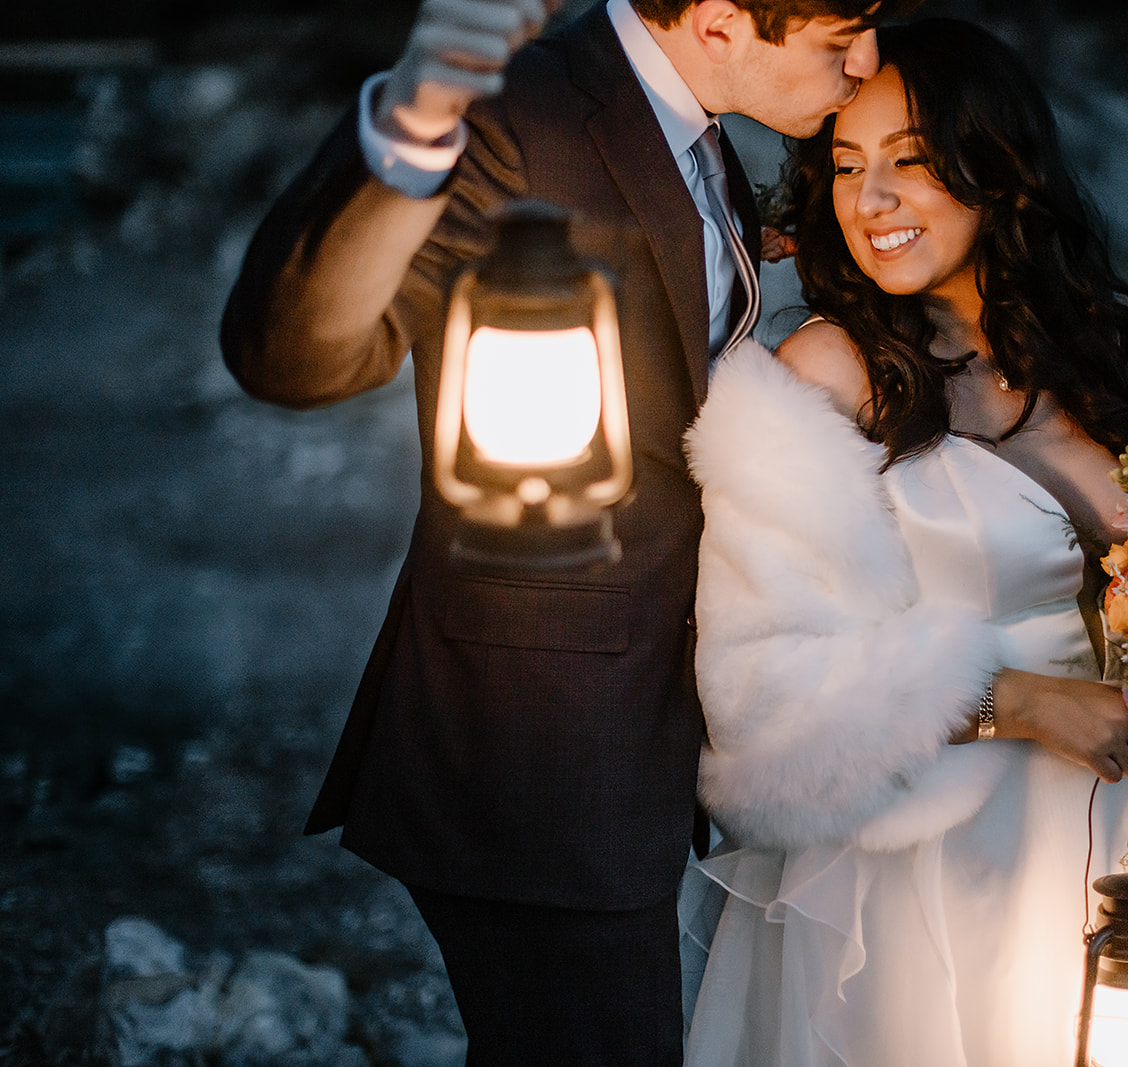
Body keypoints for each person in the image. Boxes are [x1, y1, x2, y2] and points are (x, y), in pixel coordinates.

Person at [218, 1, 917, 1063]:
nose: (866, 58)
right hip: (539, 748)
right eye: (839, 36)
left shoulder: (696, 131)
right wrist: (412, 130)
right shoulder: (518, 114)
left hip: (635, 738)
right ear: (721, 23)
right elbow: (298, 356)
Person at [679, 18, 1128, 1065]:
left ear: (996, 171)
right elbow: (749, 686)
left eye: (909, 162)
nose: (869, 200)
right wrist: (1016, 700)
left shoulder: (1106, 364)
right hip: (923, 875)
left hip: (1123, 840)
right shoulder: (828, 375)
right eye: (846, 166)